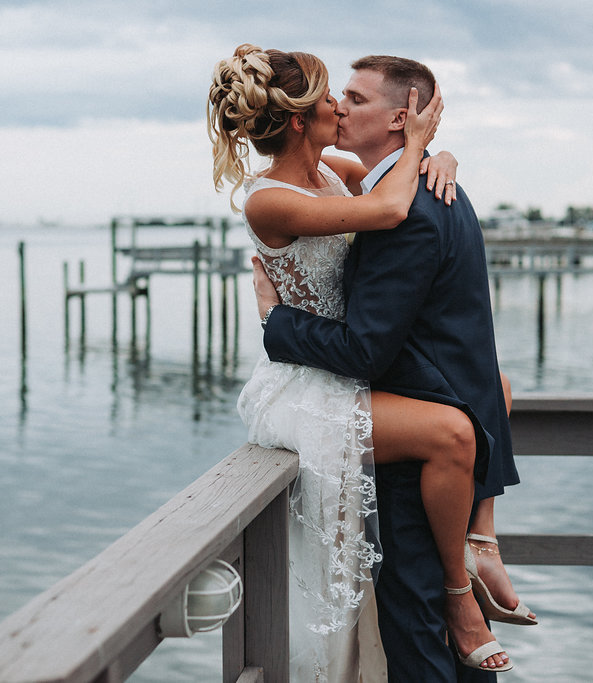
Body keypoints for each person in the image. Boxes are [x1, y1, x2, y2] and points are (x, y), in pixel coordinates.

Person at [208, 44, 520, 682]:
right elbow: (387, 208)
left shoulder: (334, 170)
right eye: (331, 97)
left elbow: (395, 183)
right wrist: (276, 322)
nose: (336, 106)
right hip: (305, 382)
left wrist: (438, 155)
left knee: (495, 387)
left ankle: (480, 541)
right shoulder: (265, 200)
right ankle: (462, 595)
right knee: (453, 432)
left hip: (348, 368)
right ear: (299, 120)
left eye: (349, 98)